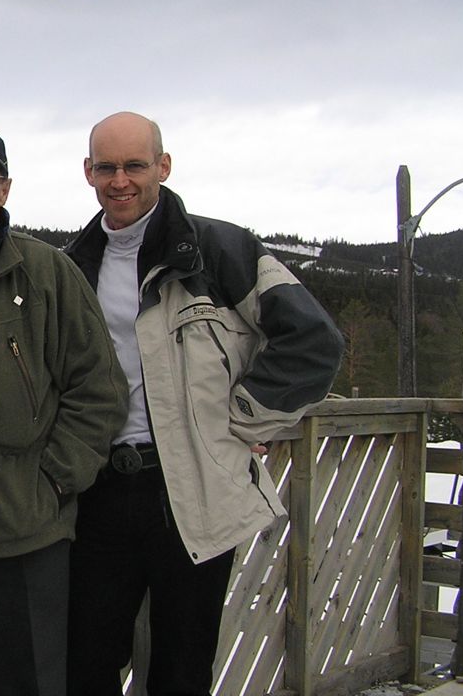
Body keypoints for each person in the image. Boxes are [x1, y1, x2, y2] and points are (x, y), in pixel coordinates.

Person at [64, 111, 343, 696]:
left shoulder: (220, 250)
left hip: (193, 489)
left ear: (163, 166)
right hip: (98, 489)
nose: (120, 180)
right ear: (88, 172)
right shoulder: (72, 265)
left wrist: (242, 419)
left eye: (135, 165)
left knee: (183, 669)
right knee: (84, 662)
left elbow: (313, 340)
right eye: (107, 167)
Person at [0, 124, 128, 696]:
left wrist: (51, 482)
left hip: (24, 534)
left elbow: (100, 389)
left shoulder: (47, 273)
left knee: (30, 682)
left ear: (5, 188)